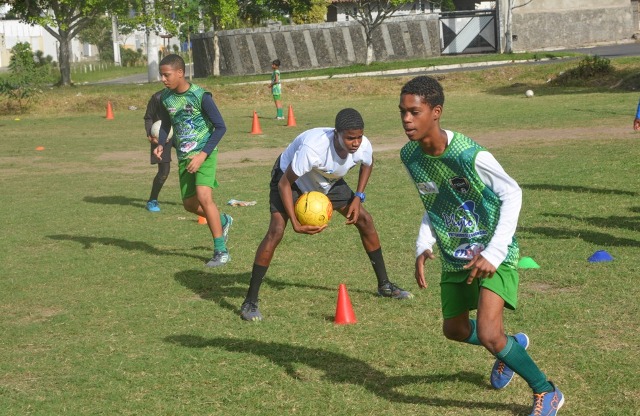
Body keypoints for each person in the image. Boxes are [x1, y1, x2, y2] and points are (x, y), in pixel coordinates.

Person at [398, 76, 564, 415]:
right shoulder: (410, 156)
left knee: (489, 332)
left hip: (494, 253)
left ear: (436, 112)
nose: (406, 120)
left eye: (414, 112)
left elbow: (512, 192)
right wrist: (423, 244)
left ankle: (546, 390)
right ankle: (511, 347)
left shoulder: (469, 154)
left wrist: (495, 251)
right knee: (455, 330)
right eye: (402, 112)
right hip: (454, 256)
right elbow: (435, 202)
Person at [240, 108, 414, 322]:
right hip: (290, 178)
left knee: (365, 220)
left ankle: (385, 285)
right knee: (276, 231)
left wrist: (358, 197)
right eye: (350, 138)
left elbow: (368, 163)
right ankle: (250, 301)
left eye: (359, 136)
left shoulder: (363, 145)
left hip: (326, 180)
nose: (356, 142)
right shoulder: (313, 148)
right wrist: (295, 222)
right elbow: (285, 183)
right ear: (336, 134)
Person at [153, 54, 233, 267]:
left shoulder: (201, 96)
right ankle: (223, 220)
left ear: (180, 73)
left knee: (204, 196)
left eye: (166, 74)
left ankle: (221, 251)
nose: (163, 79)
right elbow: (165, 125)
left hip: (205, 153)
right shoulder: (165, 98)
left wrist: (203, 154)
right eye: (161, 75)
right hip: (184, 156)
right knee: (189, 205)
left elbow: (221, 127)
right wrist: (161, 143)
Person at [143, 90, 171, 212]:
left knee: (190, 165)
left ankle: (198, 198)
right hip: (161, 136)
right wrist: (150, 134)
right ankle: (152, 200)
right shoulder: (157, 98)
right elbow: (148, 117)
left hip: (181, 134)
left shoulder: (185, 96)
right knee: (164, 171)